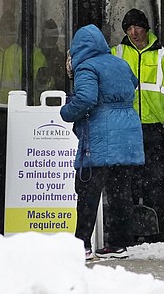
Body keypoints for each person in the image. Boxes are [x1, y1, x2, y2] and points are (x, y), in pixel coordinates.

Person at [60, 24, 144, 260]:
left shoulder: (87, 66)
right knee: (120, 192)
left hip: (101, 134)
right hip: (127, 133)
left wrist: (67, 112)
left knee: (88, 190)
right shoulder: (119, 62)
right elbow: (132, 84)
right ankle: (118, 244)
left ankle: (82, 245)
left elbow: (86, 98)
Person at [111, 8, 164, 239]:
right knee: (129, 182)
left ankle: (155, 231)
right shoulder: (117, 53)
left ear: (146, 28)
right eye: (129, 28)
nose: (134, 32)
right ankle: (131, 230)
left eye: (137, 27)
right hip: (127, 128)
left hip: (155, 127)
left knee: (155, 180)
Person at [0, 12, 45, 104]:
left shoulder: (23, 52)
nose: (8, 32)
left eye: (12, 29)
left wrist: (43, 79)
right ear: (0, 29)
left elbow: (40, 81)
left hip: (15, 105)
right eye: (6, 28)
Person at [37, 18, 67, 92]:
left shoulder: (60, 57)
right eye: (49, 36)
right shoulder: (36, 55)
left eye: (53, 36)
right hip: (36, 100)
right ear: (43, 36)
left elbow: (64, 83)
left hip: (57, 98)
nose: (51, 39)